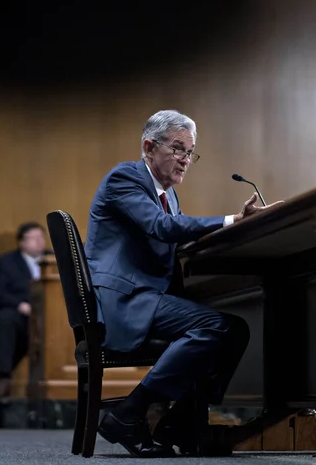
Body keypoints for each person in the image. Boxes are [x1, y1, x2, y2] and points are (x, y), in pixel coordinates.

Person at [84, 110, 282, 457]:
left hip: (148, 296)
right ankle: (130, 414)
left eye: (190, 153)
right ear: (149, 146)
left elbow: (171, 236)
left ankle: (181, 423)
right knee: (216, 326)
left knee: (234, 329)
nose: (186, 160)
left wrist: (234, 230)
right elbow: (161, 228)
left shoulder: (169, 194)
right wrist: (230, 220)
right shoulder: (124, 178)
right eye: (178, 149)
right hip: (125, 302)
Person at [0, 221, 51, 399]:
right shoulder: (6, 262)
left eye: (41, 237)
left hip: (51, 318)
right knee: (5, 317)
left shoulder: (54, 259)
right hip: (23, 317)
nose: (39, 242)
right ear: (22, 243)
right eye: (34, 239)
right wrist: (20, 305)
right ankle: (3, 377)